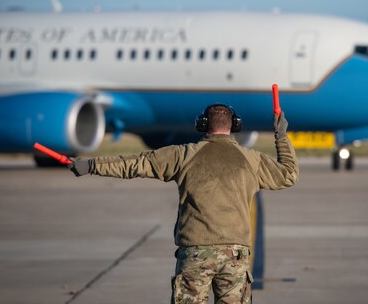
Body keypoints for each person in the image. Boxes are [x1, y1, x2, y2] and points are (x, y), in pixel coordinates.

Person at [68, 103, 299, 304]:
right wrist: (281, 136)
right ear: (234, 126)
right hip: (236, 256)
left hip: (195, 253)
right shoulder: (251, 159)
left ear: (203, 125)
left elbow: (135, 164)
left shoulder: (184, 155)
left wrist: (91, 165)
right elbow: (288, 174)